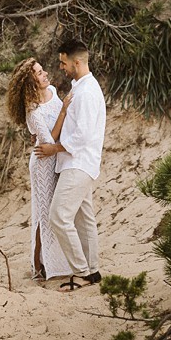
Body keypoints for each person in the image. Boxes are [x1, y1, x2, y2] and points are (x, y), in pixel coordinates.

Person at [34, 38, 106, 292]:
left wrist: (54, 148)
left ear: (77, 62)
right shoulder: (80, 86)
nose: (61, 68)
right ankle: (93, 271)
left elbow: (82, 136)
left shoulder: (86, 93)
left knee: (59, 216)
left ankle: (81, 272)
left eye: (64, 63)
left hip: (78, 163)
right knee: (84, 218)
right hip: (77, 162)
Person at [5, 56, 73, 281]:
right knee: (42, 214)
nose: (46, 74)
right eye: (40, 73)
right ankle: (37, 266)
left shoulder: (53, 91)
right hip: (43, 162)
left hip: (57, 159)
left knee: (55, 211)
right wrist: (63, 111)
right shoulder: (33, 112)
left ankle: (56, 260)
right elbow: (47, 142)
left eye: (43, 70)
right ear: (32, 82)